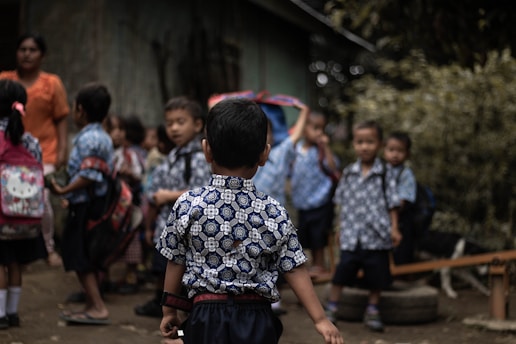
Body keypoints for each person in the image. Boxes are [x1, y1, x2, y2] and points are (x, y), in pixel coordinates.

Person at [156, 98, 344, 344]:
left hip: (204, 316)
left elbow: (175, 260)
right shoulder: (274, 211)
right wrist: (320, 319)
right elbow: (294, 267)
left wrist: (169, 309)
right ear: (264, 154)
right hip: (257, 320)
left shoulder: (188, 204)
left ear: (207, 150)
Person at [134, 96, 211, 318]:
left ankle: (190, 314)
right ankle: (163, 304)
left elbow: (203, 192)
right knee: (162, 268)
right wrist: (149, 227)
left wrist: (169, 195)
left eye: (180, 122)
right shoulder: (171, 156)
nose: (174, 128)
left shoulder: (199, 158)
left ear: (197, 125)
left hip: (189, 232)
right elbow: (153, 193)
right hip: (165, 228)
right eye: (169, 123)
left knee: (186, 275)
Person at [324, 120, 402, 332]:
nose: (364, 146)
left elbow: (393, 204)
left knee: (377, 276)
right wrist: (339, 228)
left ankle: (373, 310)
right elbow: (341, 203)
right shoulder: (349, 172)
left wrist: (394, 228)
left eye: (370, 142)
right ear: (354, 144)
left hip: (377, 236)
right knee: (341, 273)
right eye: (360, 142)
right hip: (352, 234)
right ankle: (332, 308)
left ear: (379, 144)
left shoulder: (385, 173)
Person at [0, 32, 70, 267]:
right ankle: (16, 249)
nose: (27, 54)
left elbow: (61, 119)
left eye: (33, 50)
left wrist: (62, 151)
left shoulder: (52, 83)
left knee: (40, 200)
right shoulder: (4, 79)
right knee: (8, 198)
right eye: (23, 49)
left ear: (42, 55)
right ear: (16, 52)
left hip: (43, 153)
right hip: (7, 152)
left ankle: (47, 248)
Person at [48, 82, 113, 325]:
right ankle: (90, 304)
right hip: (85, 204)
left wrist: (64, 189)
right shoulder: (97, 136)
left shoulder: (91, 138)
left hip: (87, 207)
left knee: (80, 256)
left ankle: (98, 307)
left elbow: (89, 175)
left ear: (81, 110)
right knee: (84, 255)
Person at [253, 98, 309, 315]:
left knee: (277, 257)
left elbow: (296, 135)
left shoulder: (280, 153)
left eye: (267, 131)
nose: (263, 136)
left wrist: (303, 110)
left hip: (275, 219)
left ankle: (275, 298)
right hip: (250, 217)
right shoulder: (245, 157)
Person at [0, 79, 47, 329]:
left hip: (1, 216)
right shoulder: (31, 142)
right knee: (14, 263)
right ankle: (13, 314)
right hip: (25, 216)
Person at [289, 111, 339, 280]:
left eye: (322, 129)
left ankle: (320, 265)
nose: (319, 133)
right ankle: (310, 265)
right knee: (305, 234)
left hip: (320, 201)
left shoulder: (321, 152)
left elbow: (333, 168)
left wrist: (326, 147)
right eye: (315, 128)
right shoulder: (296, 150)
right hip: (302, 202)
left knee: (319, 236)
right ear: (303, 129)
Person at [103, 114, 144, 294]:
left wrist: (131, 174)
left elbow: (139, 176)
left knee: (131, 240)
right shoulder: (104, 155)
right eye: (112, 130)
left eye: (120, 129)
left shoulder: (130, 155)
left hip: (127, 207)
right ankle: (104, 278)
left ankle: (131, 277)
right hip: (108, 206)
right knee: (106, 240)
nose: (117, 134)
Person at [384, 131, 417, 265]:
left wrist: (392, 216)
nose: (395, 154)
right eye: (391, 150)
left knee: (399, 247)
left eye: (400, 151)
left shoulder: (406, 174)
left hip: (399, 217)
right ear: (384, 150)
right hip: (380, 216)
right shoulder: (379, 170)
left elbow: (402, 201)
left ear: (407, 154)